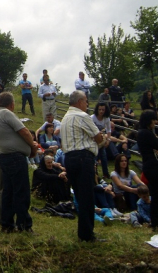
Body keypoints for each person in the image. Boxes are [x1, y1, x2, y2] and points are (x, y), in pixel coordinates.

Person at [0, 92, 38, 233]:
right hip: (15, 158)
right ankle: (24, 224)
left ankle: (7, 224)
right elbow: (24, 131)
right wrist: (33, 146)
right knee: (21, 191)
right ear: (11, 104)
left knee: (9, 192)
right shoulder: (6, 113)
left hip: (5, 157)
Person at [60, 90, 103, 242]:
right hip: (83, 158)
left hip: (69, 158)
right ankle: (86, 234)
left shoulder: (65, 118)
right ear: (79, 102)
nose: (87, 104)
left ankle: (83, 231)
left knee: (79, 194)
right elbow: (98, 137)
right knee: (87, 197)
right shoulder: (82, 116)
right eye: (85, 101)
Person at [92, 103, 112, 179]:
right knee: (95, 158)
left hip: (101, 140)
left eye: (103, 109)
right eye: (99, 109)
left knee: (104, 157)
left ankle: (106, 173)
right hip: (94, 141)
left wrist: (108, 139)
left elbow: (108, 129)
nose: (101, 111)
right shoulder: (92, 118)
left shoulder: (106, 118)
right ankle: (95, 173)